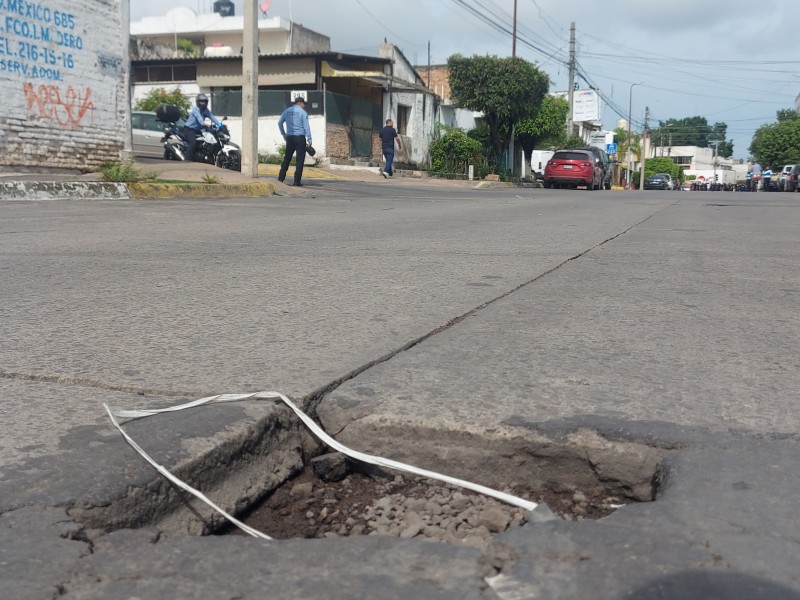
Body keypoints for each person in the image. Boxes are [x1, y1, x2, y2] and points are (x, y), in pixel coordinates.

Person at [278, 96, 312, 187]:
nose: (304, 106)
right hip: (300, 138)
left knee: (287, 159)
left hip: (290, 138)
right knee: (299, 160)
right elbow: (306, 127)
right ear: (300, 103)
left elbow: (280, 123)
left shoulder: (286, 111)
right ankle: (296, 181)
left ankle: (280, 178)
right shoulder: (303, 113)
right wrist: (309, 138)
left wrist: (284, 134)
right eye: (303, 104)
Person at [183, 93, 220, 162]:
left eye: (204, 101)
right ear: (198, 102)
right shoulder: (195, 109)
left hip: (198, 129)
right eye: (201, 101)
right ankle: (187, 159)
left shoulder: (206, 110)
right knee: (193, 142)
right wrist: (203, 123)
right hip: (189, 129)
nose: (203, 103)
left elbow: (212, 117)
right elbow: (198, 117)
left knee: (207, 139)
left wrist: (220, 125)